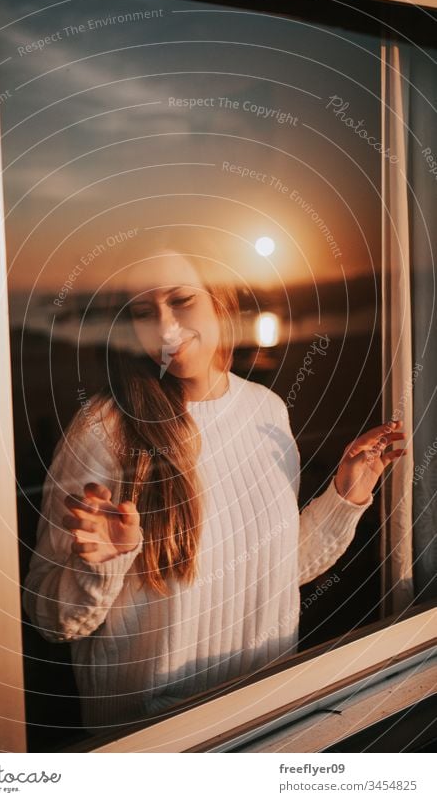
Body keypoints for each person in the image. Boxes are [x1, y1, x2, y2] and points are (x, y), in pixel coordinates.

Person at [23, 234, 407, 737]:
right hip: (159, 739)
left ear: (220, 303)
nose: (165, 327)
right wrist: (101, 565)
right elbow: (51, 620)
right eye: (142, 313)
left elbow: (273, 569)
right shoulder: (102, 431)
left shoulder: (267, 410)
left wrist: (345, 496)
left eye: (182, 301)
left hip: (271, 718)